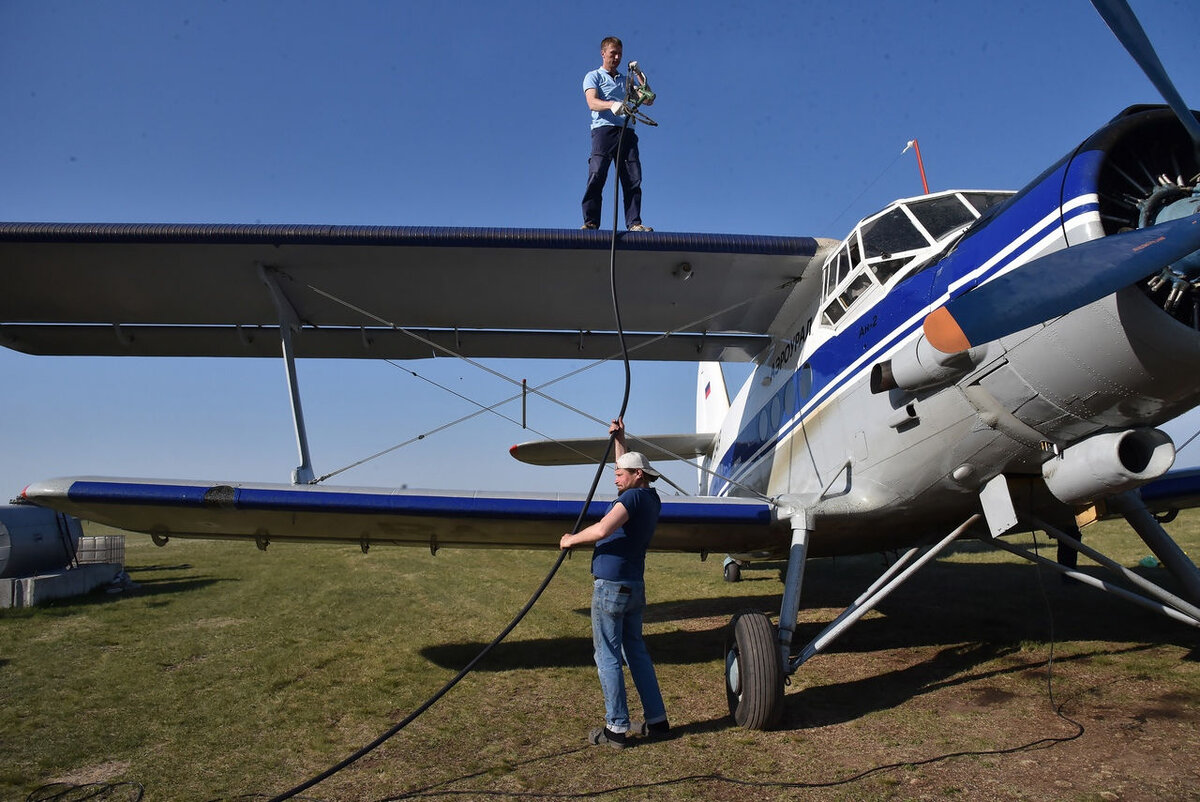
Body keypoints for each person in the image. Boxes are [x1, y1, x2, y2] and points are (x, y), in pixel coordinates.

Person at [560, 418, 670, 748]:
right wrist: (620, 440)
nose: (615, 476)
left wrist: (570, 540)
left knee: (607, 655)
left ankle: (616, 729)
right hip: (633, 586)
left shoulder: (632, 500)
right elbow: (626, 469)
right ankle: (657, 720)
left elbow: (604, 529)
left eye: (620, 474)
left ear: (638, 476)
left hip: (610, 588)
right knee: (635, 652)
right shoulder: (650, 499)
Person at [580, 36, 654, 232]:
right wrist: (612, 105)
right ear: (603, 53)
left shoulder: (626, 80)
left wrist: (639, 74)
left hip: (626, 131)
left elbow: (648, 99)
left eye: (620, 54)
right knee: (597, 173)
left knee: (632, 178)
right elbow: (592, 102)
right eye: (613, 53)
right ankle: (591, 222)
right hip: (603, 130)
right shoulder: (593, 76)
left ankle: (634, 223)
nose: (617, 57)